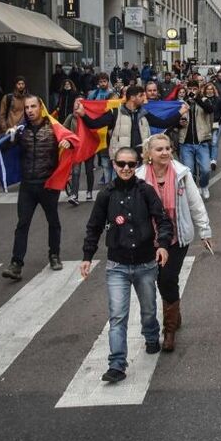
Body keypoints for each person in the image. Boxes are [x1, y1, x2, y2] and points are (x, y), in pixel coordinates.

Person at [80, 147, 173, 383]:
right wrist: (87, 256)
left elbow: (163, 220)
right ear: (114, 165)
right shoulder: (106, 195)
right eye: (121, 164)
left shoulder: (146, 191)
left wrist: (162, 244)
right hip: (117, 266)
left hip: (145, 264)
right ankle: (117, 364)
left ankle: (151, 336)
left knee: (149, 311)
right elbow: (94, 227)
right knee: (117, 316)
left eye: (131, 165)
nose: (126, 168)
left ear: (137, 166)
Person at [138, 134, 212, 352]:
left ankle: (169, 330)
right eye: (159, 149)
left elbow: (195, 203)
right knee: (159, 280)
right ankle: (174, 312)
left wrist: (205, 231)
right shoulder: (139, 177)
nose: (165, 153)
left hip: (177, 237)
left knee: (168, 278)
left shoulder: (182, 174)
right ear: (148, 154)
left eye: (168, 148)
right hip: (150, 238)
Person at [0, 95, 75, 280]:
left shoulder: (53, 127)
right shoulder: (21, 130)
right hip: (27, 185)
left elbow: (73, 140)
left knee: (53, 221)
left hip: (48, 184)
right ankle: (16, 264)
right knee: (22, 224)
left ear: (40, 107)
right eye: (27, 107)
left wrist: (68, 142)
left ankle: (54, 255)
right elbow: (6, 150)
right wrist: (9, 138)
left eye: (33, 106)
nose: (29, 110)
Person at [76, 84, 186, 161]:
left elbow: (164, 124)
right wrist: (83, 114)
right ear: (132, 98)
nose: (144, 98)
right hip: (122, 160)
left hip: (141, 159)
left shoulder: (144, 113)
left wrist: (180, 112)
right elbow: (94, 124)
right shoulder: (115, 113)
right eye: (141, 96)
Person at [176, 81, 215, 199]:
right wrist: (179, 123)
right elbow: (175, 119)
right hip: (186, 143)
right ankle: (193, 190)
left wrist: (196, 99)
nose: (192, 91)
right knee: (189, 170)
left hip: (202, 142)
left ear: (198, 89)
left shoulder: (203, 101)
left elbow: (209, 109)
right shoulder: (182, 103)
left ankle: (204, 185)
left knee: (206, 169)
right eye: (190, 89)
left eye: (194, 88)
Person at [203, 82, 221, 173]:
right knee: (208, 143)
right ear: (205, 91)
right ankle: (209, 158)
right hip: (205, 125)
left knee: (214, 142)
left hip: (217, 123)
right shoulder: (203, 100)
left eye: (211, 89)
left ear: (214, 90)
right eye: (208, 89)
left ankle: (213, 161)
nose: (209, 91)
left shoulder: (218, 99)